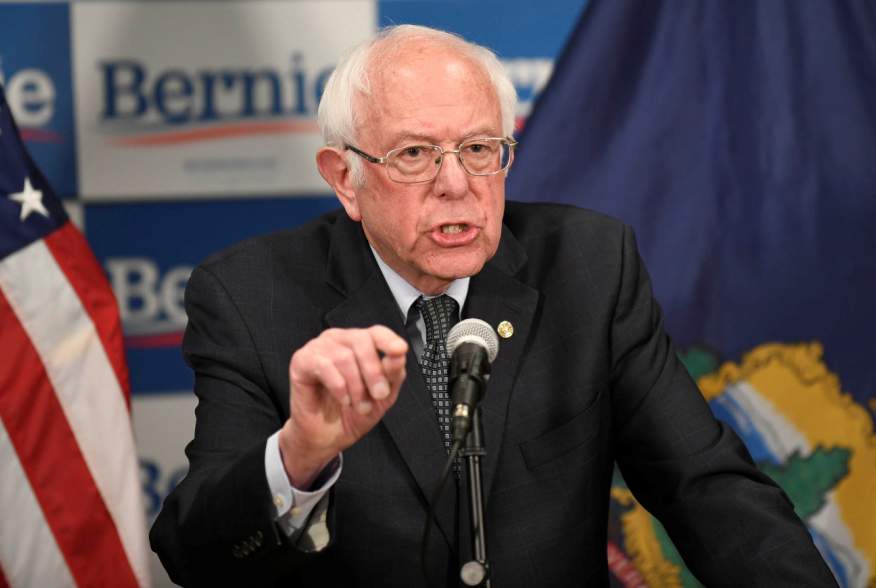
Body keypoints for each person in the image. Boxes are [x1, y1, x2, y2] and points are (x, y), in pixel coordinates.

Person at [150, 25, 837, 587]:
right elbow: (194, 555)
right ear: (346, 179)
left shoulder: (589, 268)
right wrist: (300, 454)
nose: (458, 185)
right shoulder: (251, 296)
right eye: (416, 154)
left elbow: (707, 489)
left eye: (480, 149)